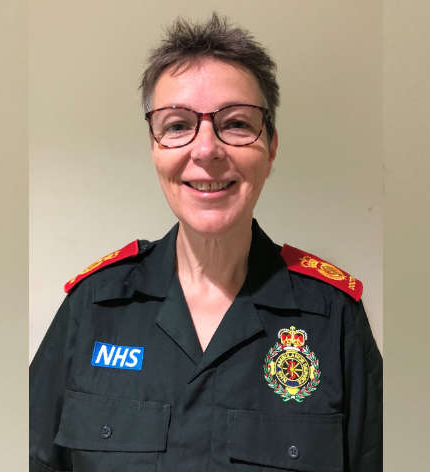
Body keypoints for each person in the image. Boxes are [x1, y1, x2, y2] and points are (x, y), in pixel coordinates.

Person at [30, 13, 382, 472]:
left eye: (236, 123)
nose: (206, 150)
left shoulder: (333, 319)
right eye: (178, 125)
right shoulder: (94, 308)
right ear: (154, 147)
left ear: (271, 148)